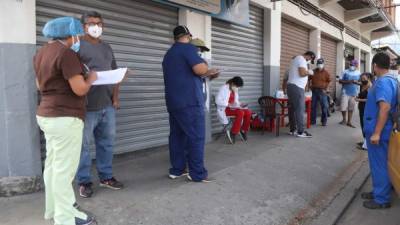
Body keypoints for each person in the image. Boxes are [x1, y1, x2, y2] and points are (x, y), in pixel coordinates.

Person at [34, 17, 97, 225]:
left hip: (46, 114)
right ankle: (65, 218)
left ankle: (54, 209)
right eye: (77, 34)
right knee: (64, 171)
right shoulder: (67, 53)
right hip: (65, 117)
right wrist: (91, 79)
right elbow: (79, 88)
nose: (78, 38)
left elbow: (39, 84)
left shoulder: (41, 53)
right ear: (70, 34)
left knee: (52, 166)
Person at [76, 11, 123, 199]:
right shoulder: (77, 47)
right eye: (91, 23)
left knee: (107, 143)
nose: (96, 26)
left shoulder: (107, 47)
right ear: (83, 26)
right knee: (83, 146)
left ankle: (106, 176)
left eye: (99, 23)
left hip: (107, 105)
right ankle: (84, 181)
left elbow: (116, 73)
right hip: (86, 106)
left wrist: (116, 98)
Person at [162, 25, 219, 183]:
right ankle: (197, 173)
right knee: (196, 137)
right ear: (188, 36)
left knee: (177, 136)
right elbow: (200, 69)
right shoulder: (187, 49)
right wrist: (206, 67)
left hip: (174, 102)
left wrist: (206, 74)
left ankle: (177, 170)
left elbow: (186, 74)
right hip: (190, 102)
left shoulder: (168, 54)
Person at [361, 52, 398, 209]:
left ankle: (381, 199)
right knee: (384, 162)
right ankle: (380, 191)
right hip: (385, 128)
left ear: (375, 66)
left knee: (379, 164)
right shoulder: (393, 80)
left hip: (380, 131)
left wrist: (376, 132)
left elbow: (385, 107)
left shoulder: (383, 83)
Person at [287, 51, 316, 138]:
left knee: (292, 109)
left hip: (291, 86)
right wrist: (309, 72)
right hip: (297, 87)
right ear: (309, 56)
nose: (309, 61)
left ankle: (293, 130)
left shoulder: (296, 59)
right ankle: (300, 131)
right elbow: (302, 73)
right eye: (310, 59)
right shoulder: (302, 59)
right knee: (300, 110)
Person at [216, 76, 251, 143]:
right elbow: (217, 101)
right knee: (240, 112)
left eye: (238, 87)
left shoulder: (235, 89)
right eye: (237, 86)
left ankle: (243, 130)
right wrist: (228, 104)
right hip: (225, 109)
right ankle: (233, 133)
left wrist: (240, 104)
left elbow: (236, 101)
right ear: (232, 83)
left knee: (248, 112)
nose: (237, 88)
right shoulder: (224, 88)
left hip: (233, 108)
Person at [339, 59, 361, 128]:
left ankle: (349, 121)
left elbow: (360, 82)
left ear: (356, 66)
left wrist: (356, 83)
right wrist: (349, 81)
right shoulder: (344, 72)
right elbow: (340, 81)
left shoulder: (359, 73)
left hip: (354, 93)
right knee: (343, 107)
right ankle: (344, 119)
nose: (351, 66)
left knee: (351, 108)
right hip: (345, 92)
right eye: (350, 64)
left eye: (353, 65)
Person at [309, 58, 331, 126]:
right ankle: (313, 121)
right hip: (314, 91)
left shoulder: (326, 72)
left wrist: (327, 89)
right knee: (313, 106)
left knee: (324, 106)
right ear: (316, 64)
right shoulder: (313, 71)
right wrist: (309, 86)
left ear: (323, 64)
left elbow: (329, 81)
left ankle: (323, 121)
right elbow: (308, 79)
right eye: (318, 64)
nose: (319, 65)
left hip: (322, 91)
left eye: (321, 64)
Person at [355, 73, 372, 150]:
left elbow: (370, 100)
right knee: (362, 124)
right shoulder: (362, 85)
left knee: (366, 124)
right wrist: (358, 96)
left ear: (368, 78)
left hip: (366, 107)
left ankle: (367, 145)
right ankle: (365, 140)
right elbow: (362, 94)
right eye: (362, 78)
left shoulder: (370, 86)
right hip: (361, 107)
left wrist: (359, 99)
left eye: (364, 78)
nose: (362, 80)